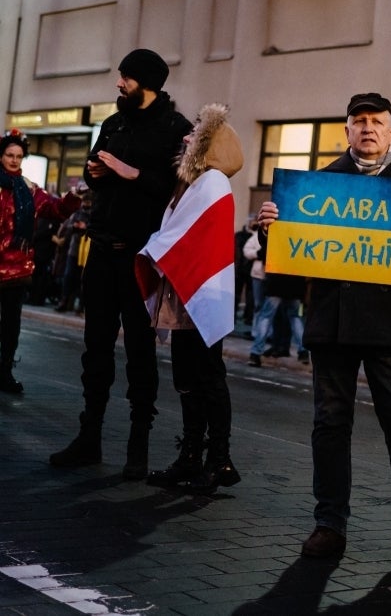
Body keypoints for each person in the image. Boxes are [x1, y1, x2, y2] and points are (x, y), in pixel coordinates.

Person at [257, 93, 391, 575]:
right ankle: (329, 524)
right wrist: (272, 231)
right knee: (330, 425)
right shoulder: (320, 183)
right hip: (334, 323)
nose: (368, 128)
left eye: (377, 121)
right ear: (346, 131)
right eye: (359, 121)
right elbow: (292, 259)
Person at [49, 48, 193, 479]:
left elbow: (180, 192)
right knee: (95, 348)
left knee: (139, 352)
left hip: (142, 257)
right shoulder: (113, 123)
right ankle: (88, 437)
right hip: (102, 249)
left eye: (125, 78)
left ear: (147, 82)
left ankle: (137, 447)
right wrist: (97, 170)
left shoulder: (177, 130)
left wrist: (133, 174)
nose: (118, 83)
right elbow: (95, 171)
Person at [138, 103, 244, 494]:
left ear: (210, 143)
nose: (186, 136)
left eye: (196, 131)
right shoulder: (193, 183)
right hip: (187, 292)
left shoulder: (212, 182)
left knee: (208, 377)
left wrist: (153, 249)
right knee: (188, 377)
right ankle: (192, 457)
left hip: (202, 293)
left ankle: (219, 460)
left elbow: (187, 238)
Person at [0, 129, 80, 393]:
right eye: (9, 155)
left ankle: (5, 372)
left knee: (11, 326)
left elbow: (55, 209)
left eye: (19, 156)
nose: (14, 160)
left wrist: (74, 196)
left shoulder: (29, 189)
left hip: (16, 269)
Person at [246, 272, 308, 367]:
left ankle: (255, 353)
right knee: (295, 318)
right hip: (296, 284)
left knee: (266, 317)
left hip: (276, 282)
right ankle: (303, 351)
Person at [53, 188, 94, 313]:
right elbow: (68, 226)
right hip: (74, 248)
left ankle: (80, 306)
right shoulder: (77, 212)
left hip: (86, 249)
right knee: (68, 276)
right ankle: (65, 301)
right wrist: (75, 226)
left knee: (83, 278)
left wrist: (85, 227)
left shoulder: (93, 213)